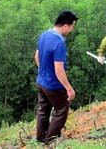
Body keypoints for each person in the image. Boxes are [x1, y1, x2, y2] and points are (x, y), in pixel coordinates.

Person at [34, 10, 78, 144]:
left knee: (43, 111)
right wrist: (69, 89)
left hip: (41, 82)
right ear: (65, 25)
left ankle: (40, 139)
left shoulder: (44, 35)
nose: (71, 30)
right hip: (54, 86)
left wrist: (44, 72)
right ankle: (50, 141)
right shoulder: (59, 42)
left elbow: (36, 57)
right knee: (61, 110)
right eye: (71, 27)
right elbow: (59, 70)